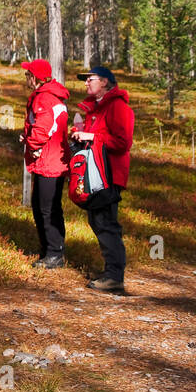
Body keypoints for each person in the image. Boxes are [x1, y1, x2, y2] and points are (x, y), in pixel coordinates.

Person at [70, 65, 134, 292]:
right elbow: (98, 140)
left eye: (90, 79)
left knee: (106, 224)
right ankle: (112, 272)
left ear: (105, 82)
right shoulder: (96, 108)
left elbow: (123, 142)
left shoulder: (118, 107)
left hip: (109, 175)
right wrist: (80, 136)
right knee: (97, 221)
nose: (86, 83)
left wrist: (91, 136)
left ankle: (115, 276)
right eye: (85, 80)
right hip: (96, 175)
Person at [18, 59, 71, 268]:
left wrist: (30, 141)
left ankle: (54, 254)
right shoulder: (49, 96)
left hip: (50, 161)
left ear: (36, 77)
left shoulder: (45, 99)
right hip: (50, 160)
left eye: (28, 74)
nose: (26, 78)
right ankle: (49, 251)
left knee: (46, 209)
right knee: (44, 207)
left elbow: (44, 129)